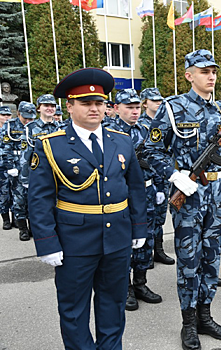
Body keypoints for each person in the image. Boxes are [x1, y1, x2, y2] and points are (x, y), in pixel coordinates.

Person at [29, 67, 148, 349]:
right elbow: (39, 199)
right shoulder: (50, 146)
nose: (95, 108)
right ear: (69, 106)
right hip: (74, 242)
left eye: (99, 103)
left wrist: (139, 226)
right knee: (73, 309)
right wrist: (47, 243)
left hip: (117, 238)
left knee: (113, 304)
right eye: (86, 103)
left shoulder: (122, 140)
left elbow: (135, 187)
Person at [144, 50, 221, 349]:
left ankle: (205, 316)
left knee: (212, 258)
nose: (211, 76)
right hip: (189, 195)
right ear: (189, 75)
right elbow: (150, 150)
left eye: (214, 71)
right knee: (188, 261)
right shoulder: (172, 109)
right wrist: (174, 176)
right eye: (204, 71)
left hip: (217, 195)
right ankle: (188, 323)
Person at [107, 88, 164, 311]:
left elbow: (157, 159)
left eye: (136, 107)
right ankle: (126, 287)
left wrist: (159, 187)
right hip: (122, 195)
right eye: (128, 107)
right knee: (123, 241)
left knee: (146, 239)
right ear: (116, 108)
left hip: (147, 192)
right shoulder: (108, 133)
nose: (134, 111)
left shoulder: (147, 129)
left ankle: (141, 283)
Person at [138, 87, 176, 266]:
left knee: (159, 218)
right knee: (145, 221)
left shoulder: (168, 122)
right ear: (144, 103)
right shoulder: (140, 124)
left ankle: (158, 251)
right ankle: (145, 254)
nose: (158, 103)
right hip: (147, 178)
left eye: (160, 100)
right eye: (154, 100)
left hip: (164, 177)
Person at [19, 94, 61, 241]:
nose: (50, 108)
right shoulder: (30, 128)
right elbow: (26, 155)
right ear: (39, 108)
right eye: (46, 106)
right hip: (41, 174)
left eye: (52, 106)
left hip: (60, 175)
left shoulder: (61, 127)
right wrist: (25, 178)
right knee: (42, 209)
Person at [2, 101, 36, 240]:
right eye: (25, 118)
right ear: (18, 114)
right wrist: (10, 167)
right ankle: (23, 229)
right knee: (19, 200)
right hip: (16, 168)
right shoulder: (10, 126)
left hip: (32, 168)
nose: (27, 121)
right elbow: (5, 148)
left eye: (30, 118)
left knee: (33, 200)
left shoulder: (36, 126)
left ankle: (33, 227)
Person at [0, 105, 14, 229]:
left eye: (8, 115)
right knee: (3, 193)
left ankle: (16, 217)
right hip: (1, 167)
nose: (6, 117)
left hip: (12, 165)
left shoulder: (12, 130)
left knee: (15, 192)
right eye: (3, 115)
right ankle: (5, 219)